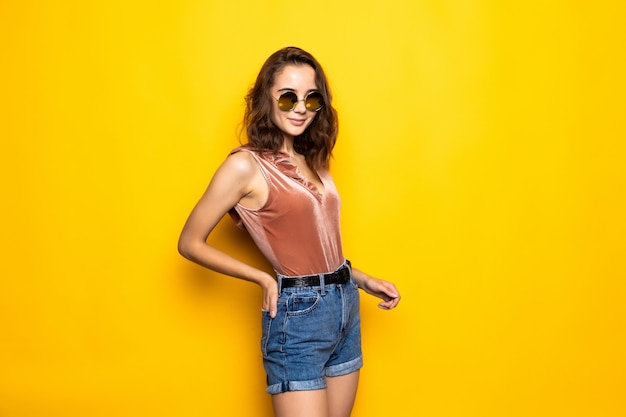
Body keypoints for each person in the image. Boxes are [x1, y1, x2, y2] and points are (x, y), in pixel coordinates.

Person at [178, 46, 401, 417]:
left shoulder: (312, 157)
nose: (300, 107)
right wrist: (263, 280)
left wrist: (359, 279)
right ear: (267, 98)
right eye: (288, 97)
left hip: (345, 305)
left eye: (310, 98)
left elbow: (313, 240)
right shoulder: (245, 167)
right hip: (299, 316)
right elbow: (189, 242)